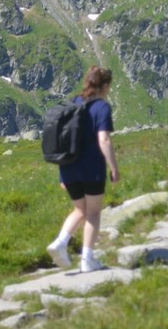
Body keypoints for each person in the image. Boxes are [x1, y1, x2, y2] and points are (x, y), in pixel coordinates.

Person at [46, 66, 120, 273]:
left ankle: (61, 242)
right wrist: (114, 167)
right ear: (104, 86)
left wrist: (62, 172)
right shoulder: (101, 107)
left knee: (80, 210)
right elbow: (103, 139)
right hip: (91, 168)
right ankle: (87, 258)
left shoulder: (73, 103)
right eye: (108, 86)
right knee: (94, 213)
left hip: (67, 167)